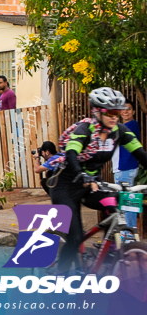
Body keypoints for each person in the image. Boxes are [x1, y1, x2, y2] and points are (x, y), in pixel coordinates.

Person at [51, 87, 147, 271]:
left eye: (117, 113)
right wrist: (80, 173)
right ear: (97, 111)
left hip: (92, 184)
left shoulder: (120, 131)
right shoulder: (85, 129)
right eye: (110, 113)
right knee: (75, 237)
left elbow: (141, 154)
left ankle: (109, 253)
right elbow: (72, 152)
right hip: (66, 185)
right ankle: (61, 278)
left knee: (114, 208)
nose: (115, 117)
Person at [112, 101, 141, 232]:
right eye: (122, 109)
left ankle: (128, 236)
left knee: (127, 204)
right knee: (127, 203)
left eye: (128, 109)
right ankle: (128, 235)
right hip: (123, 169)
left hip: (125, 169)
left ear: (133, 111)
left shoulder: (131, 125)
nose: (125, 111)